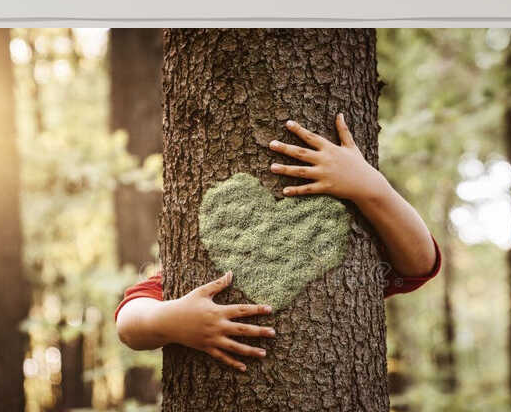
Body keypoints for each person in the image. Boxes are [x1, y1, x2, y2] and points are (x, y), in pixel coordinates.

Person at [114, 114, 441, 372]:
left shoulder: (349, 256)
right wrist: (170, 320)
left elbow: (420, 263)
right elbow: (129, 321)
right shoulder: (200, 271)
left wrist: (371, 187)